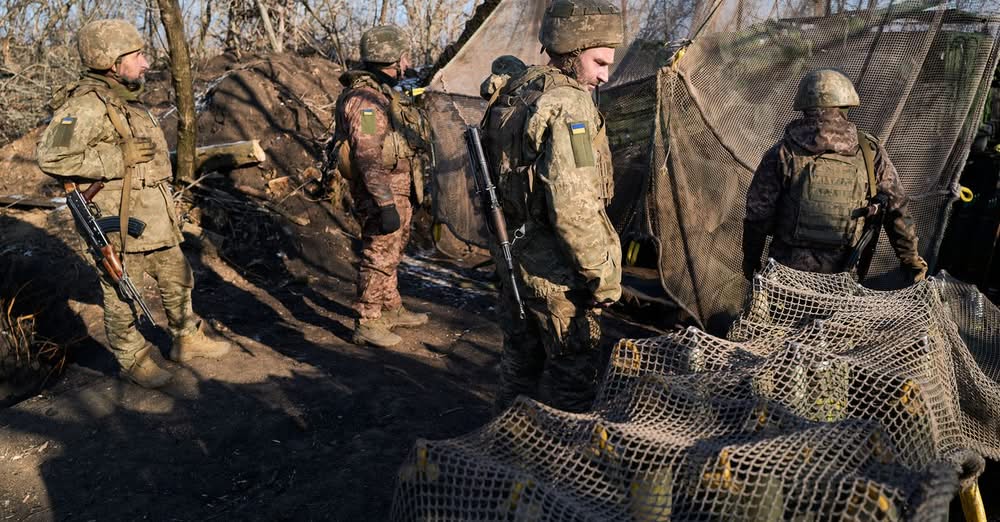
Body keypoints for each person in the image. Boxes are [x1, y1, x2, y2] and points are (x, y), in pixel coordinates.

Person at [36, 19, 232, 388]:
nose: (145, 63)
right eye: (137, 55)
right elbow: (51, 157)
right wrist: (116, 157)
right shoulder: (84, 105)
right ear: (111, 61)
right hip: (118, 219)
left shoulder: (125, 99)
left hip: (153, 213)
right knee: (124, 291)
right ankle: (133, 358)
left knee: (177, 276)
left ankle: (186, 338)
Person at [480, 0, 623, 413]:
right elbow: (574, 206)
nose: (604, 75)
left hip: (515, 255)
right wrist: (601, 278)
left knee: (519, 367)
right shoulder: (568, 104)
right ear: (574, 52)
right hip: (557, 271)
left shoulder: (520, 90)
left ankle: (503, 448)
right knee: (573, 384)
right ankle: (561, 467)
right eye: (598, 62)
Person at [742, 68, 928, 283]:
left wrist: (751, 260)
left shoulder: (782, 152)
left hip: (786, 277)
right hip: (843, 276)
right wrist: (911, 260)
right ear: (845, 106)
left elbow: (758, 215)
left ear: (805, 106)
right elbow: (897, 208)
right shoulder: (869, 151)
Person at [332, 25, 433, 348]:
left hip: (397, 188)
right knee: (378, 254)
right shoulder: (366, 102)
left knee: (392, 251)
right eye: (402, 58)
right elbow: (367, 154)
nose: (406, 64)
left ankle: (390, 306)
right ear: (390, 59)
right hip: (382, 191)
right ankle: (368, 320)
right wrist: (385, 203)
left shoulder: (381, 92)